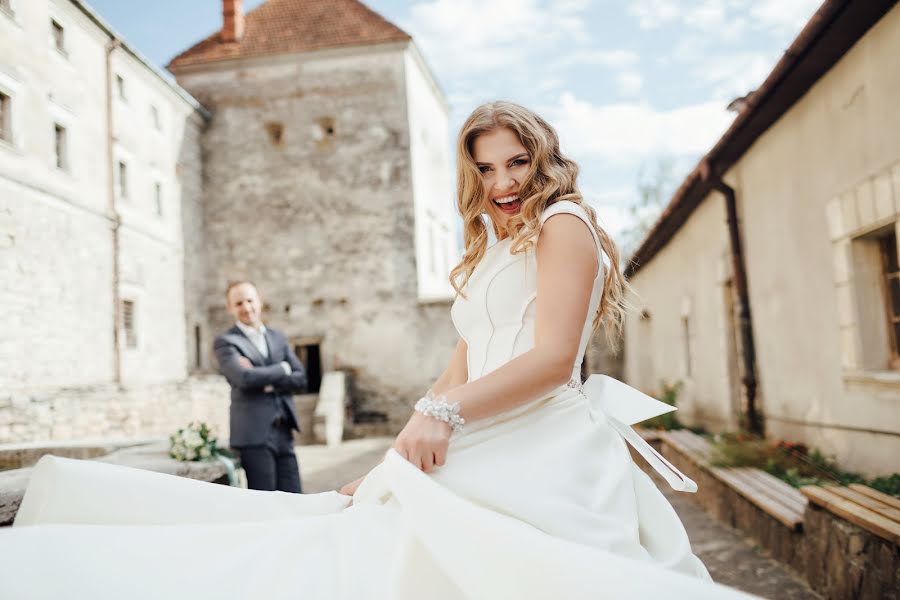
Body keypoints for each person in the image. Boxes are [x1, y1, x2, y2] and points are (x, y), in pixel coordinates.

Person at [0, 102, 757, 600]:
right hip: (477, 426)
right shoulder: (498, 241)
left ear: (543, 157)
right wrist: (402, 445)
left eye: (515, 163)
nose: (500, 182)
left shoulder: (564, 224)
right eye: (485, 167)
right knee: (352, 531)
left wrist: (441, 415)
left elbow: (554, 358)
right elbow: (467, 356)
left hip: (542, 440)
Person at [214, 280, 307, 492]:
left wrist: (264, 380)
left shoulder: (278, 337)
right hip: (253, 435)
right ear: (230, 308)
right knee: (265, 503)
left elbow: (301, 379)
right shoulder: (226, 342)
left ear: (259, 302)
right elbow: (244, 379)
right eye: (238, 303)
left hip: (284, 430)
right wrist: (282, 369)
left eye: (249, 300)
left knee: (296, 499)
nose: (246, 307)